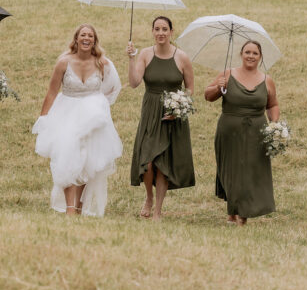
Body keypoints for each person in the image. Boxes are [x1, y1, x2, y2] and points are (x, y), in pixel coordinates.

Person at [33, 24, 122, 217]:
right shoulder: (64, 62)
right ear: (76, 38)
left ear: (94, 40)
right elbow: (51, 92)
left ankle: (79, 207)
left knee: (86, 161)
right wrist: (44, 118)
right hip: (67, 113)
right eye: (83, 35)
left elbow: (114, 87)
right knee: (67, 157)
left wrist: (99, 105)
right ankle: (70, 208)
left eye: (90, 35)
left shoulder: (102, 63)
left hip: (91, 117)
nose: (86, 38)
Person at [126, 16, 196, 220]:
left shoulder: (182, 57)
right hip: (151, 112)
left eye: (165, 29)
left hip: (171, 115)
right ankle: (148, 196)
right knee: (147, 161)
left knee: (163, 164)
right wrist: (131, 58)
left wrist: (179, 107)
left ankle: (157, 209)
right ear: (152, 32)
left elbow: (190, 88)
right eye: (157, 29)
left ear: (171, 32)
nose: (161, 33)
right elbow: (134, 82)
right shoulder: (146, 54)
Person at [204, 40, 280, 226]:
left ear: (260, 57)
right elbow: (208, 95)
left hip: (257, 132)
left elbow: (273, 105)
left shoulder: (267, 80)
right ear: (241, 54)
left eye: (255, 53)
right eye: (247, 52)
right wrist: (218, 87)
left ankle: (243, 215)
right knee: (231, 170)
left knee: (250, 172)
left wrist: (275, 125)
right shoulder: (227, 74)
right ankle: (232, 210)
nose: (251, 56)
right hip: (229, 131)